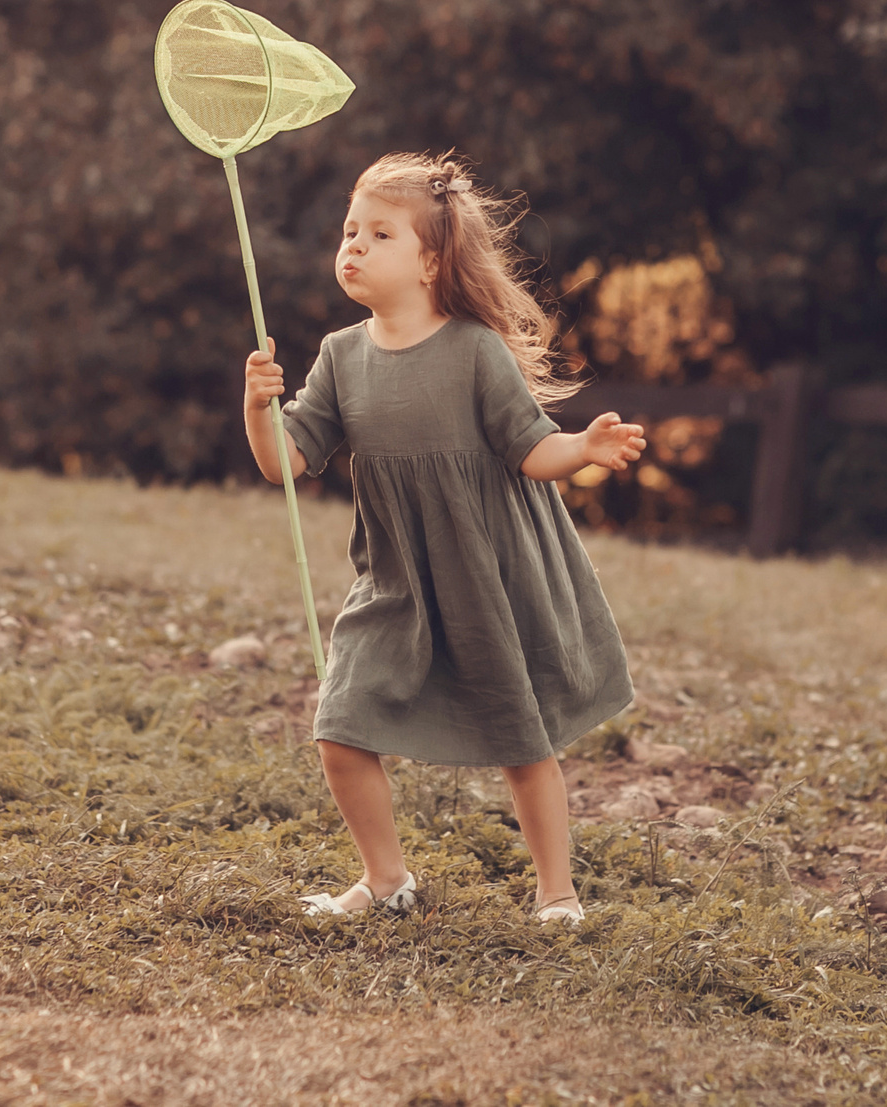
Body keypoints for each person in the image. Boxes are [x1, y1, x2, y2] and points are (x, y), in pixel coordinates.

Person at [242, 152, 644, 924]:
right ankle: (386, 879)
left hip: (486, 573)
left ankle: (556, 892)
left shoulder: (472, 351)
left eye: (379, 233)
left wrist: (583, 448)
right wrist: (261, 409)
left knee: (521, 739)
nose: (353, 245)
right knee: (340, 723)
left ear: (430, 261)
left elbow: (530, 448)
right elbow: (285, 465)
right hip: (395, 580)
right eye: (350, 229)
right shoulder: (340, 357)